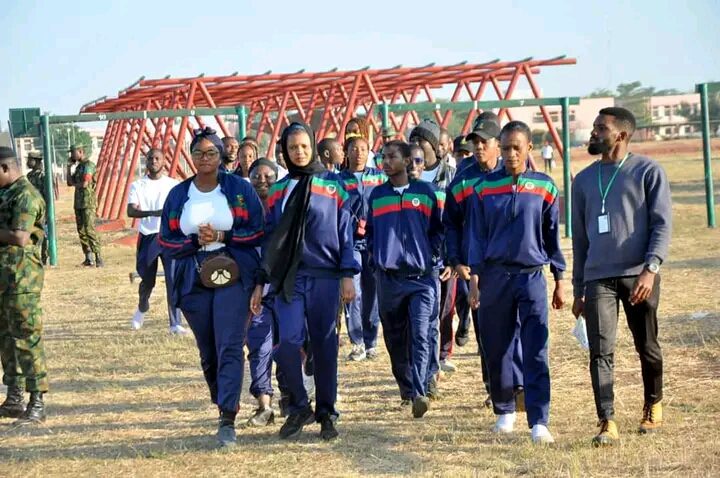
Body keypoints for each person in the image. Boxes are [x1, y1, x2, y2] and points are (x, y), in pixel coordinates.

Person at [250, 122, 358, 441]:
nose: (299, 152)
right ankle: (299, 406)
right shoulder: (279, 191)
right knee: (287, 346)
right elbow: (271, 240)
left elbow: (345, 234)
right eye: (293, 147)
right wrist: (260, 282)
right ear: (284, 150)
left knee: (325, 348)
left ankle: (326, 413)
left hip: (325, 277)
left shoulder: (334, 186)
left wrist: (348, 275)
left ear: (313, 147)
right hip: (289, 281)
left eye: (304, 146)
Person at [159, 127, 264, 448]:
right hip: (193, 277)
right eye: (199, 153)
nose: (205, 159)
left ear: (221, 156)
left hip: (234, 274)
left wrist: (223, 237)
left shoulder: (239, 189)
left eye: (212, 153)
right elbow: (165, 240)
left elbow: (258, 229)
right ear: (191, 157)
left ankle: (227, 418)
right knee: (208, 350)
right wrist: (193, 240)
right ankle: (223, 399)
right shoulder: (179, 194)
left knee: (229, 345)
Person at [571, 107, 671, 446]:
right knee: (600, 351)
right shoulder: (583, 180)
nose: (594, 132)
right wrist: (578, 287)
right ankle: (607, 421)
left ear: (621, 135)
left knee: (648, 346)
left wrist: (650, 269)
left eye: (601, 127)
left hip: (639, 275)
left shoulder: (648, 171)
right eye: (595, 127)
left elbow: (661, 225)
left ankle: (653, 404)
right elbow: (581, 240)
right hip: (598, 277)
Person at [468, 120, 566, 445]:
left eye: (516, 148)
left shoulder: (545, 187)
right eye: (506, 147)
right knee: (498, 348)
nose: (510, 154)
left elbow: (552, 238)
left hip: (532, 277)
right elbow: (477, 238)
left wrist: (560, 279)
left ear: (529, 149)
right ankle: (505, 410)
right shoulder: (483, 188)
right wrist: (474, 280)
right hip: (495, 279)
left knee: (537, 348)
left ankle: (539, 419)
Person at [444, 112, 523, 408]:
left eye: (484, 142)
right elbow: (450, 222)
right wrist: (456, 260)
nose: (478, 148)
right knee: (488, 332)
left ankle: (519, 385)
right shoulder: (463, 180)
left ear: (498, 144)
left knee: (516, 328)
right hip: (477, 270)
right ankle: (495, 387)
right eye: (474, 142)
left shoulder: (515, 174)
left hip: (513, 266)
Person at [366, 140, 444, 418]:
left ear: (408, 160)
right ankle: (407, 390)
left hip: (421, 279)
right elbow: (371, 233)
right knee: (395, 339)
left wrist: (433, 256)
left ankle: (421, 392)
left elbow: (437, 230)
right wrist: (376, 259)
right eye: (383, 158)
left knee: (421, 334)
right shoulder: (376, 196)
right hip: (388, 280)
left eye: (391, 157)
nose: (385, 162)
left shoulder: (425, 193)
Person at [0, 146, 49, 425]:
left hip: (22, 280)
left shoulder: (26, 195)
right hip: (4, 281)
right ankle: (15, 398)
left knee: (27, 339)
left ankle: (37, 401)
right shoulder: (4, 193)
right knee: (6, 340)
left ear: (6, 168)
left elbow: (19, 237)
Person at [408, 119, 455, 397]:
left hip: (441, 261)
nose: (417, 145)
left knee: (437, 318)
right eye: (413, 139)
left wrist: (452, 257)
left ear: (435, 146)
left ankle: (432, 372)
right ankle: (418, 375)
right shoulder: (405, 173)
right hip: (410, 263)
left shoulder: (450, 176)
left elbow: (454, 220)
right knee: (416, 324)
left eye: (422, 141)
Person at [127, 148, 187, 335]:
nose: (153, 161)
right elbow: (131, 211)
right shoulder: (138, 185)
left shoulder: (173, 185)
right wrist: (154, 213)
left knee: (172, 279)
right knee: (147, 279)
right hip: (148, 236)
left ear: (164, 162)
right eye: (150, 158)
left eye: (157, 158)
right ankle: (142, 307)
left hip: (170, 237)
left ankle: (175, 323)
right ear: (146, 162)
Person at [245, 158, 286, 426]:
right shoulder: (242, 212)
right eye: (256, 177)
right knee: (259, 344)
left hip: (285, 285)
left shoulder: (285, 208)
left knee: (290, 345)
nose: (262, 182)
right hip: (253, 287)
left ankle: (293, 397)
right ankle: (264, 404)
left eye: (268, 177)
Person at [339, 136, 386, 361]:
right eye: (354, 149)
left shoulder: (379, 177)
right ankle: (356, 341)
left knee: (373, 292)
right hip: (349, 242)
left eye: (363, 149)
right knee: (353, 291)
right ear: (346, 152)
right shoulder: (338, 180)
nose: (359, 153)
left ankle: (371, 341)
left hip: (375, 240)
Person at [66, 145, 103, 267]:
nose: (71, 155)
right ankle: (88, 258)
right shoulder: (79, 167)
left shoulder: (89, 166)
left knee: (89, 230)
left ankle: (98, 257)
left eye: (73, 152)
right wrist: (68, 168)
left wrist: (76, 183)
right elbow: (69, 182)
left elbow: (85, 184)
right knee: (81, 231)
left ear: (81, 152)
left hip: (88, 203)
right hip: (79, 203)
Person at [26, 151, 48, 265]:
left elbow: (48, 195)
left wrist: (48, 212)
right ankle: (35, 256)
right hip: (31, 210)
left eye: (30, 159)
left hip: (42, 210)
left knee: (43, 234)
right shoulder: (29, 176)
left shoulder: (43, 175)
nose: (28, 162)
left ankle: (45, 258)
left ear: (37, 161)